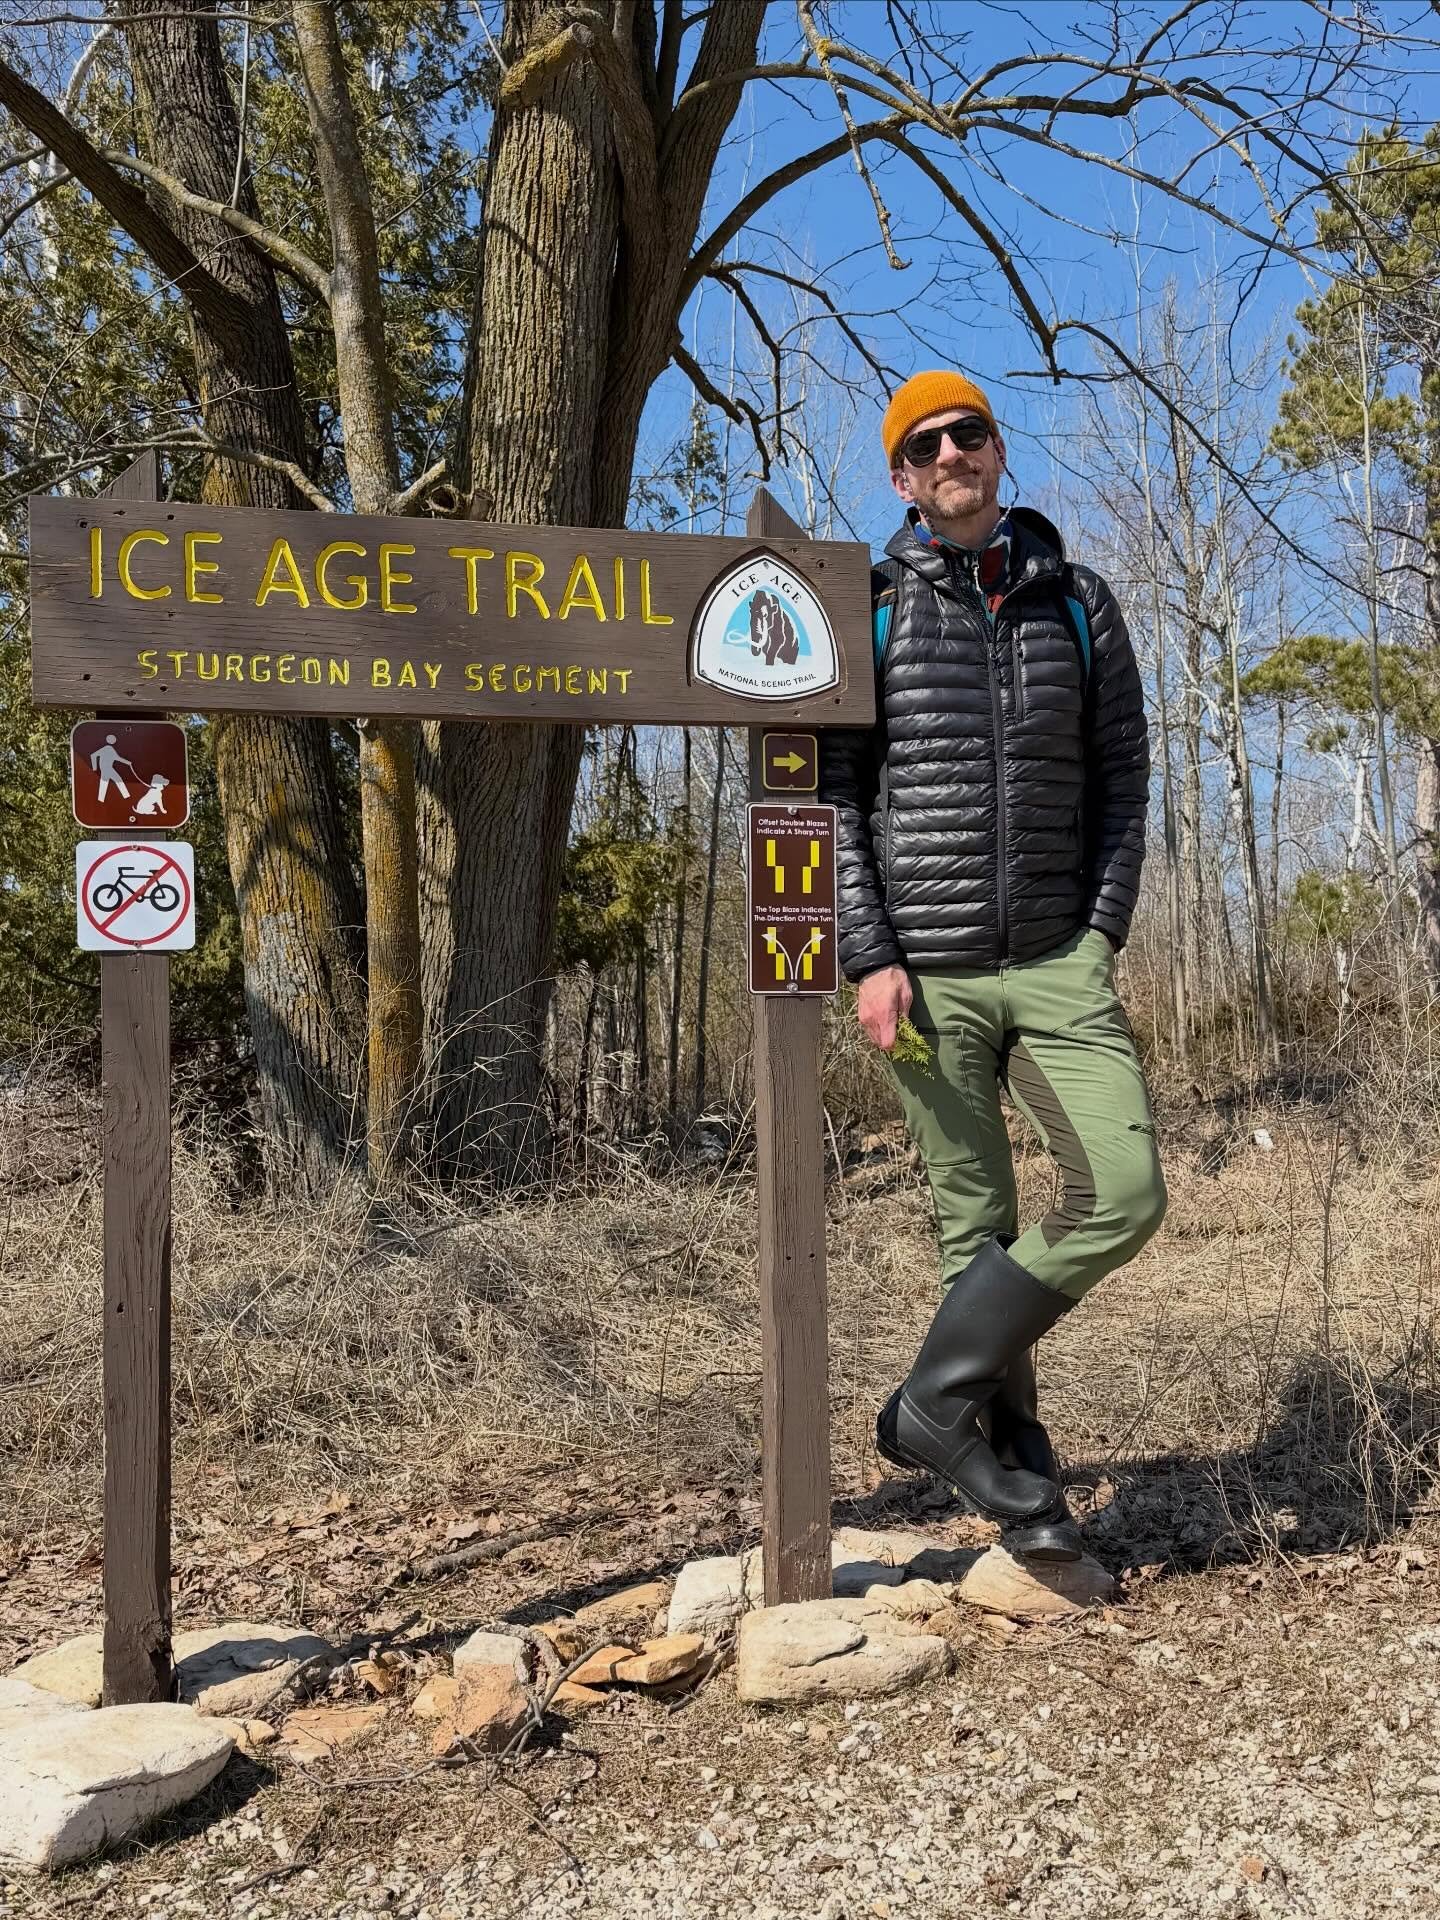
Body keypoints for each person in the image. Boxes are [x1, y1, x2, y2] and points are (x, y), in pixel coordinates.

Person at [820, 370, 1166, 1561]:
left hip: (1059, 960)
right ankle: (1021, 1478)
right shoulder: (865, 604)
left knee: (1120, 1193)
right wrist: (868, 956)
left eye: (972, 431)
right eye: (929, 443)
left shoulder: (1078, 600)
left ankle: (926, 1407)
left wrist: (1103, 930)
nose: (954, 452)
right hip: (924, 974)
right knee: (975, 1224)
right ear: (904, 479)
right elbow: (834, 795)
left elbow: (1124, 776)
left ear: (998, 453)